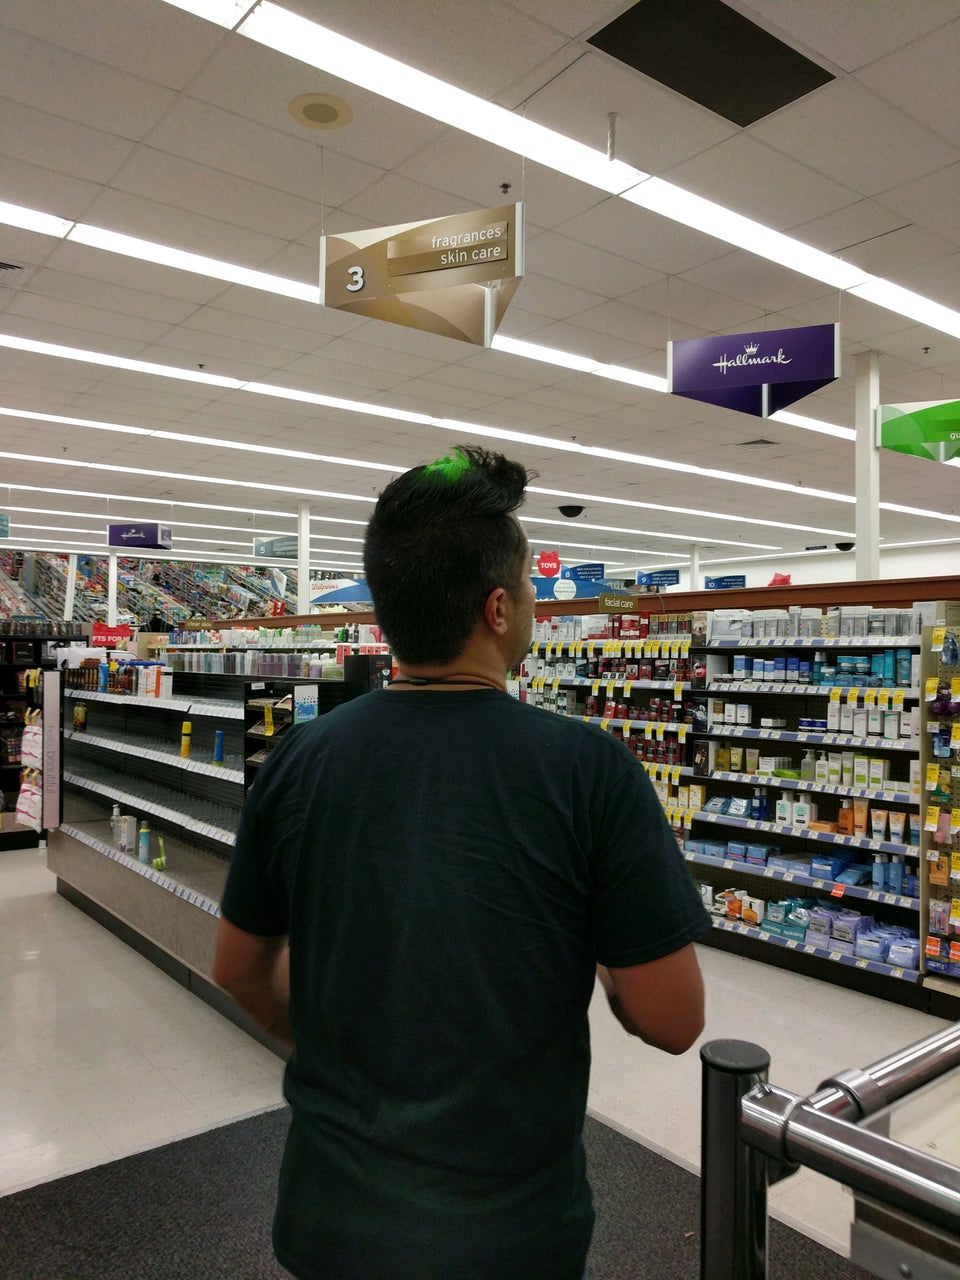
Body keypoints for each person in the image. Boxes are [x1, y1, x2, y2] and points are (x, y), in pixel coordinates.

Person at [213, 445, 710, 1280]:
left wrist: (333, 1049)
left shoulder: (300, 758)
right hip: (509, 1231)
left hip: (329, 1211)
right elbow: (672, 1019)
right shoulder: (587, 770)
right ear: (498, 609)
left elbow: (238, 968)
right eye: (529, 589)